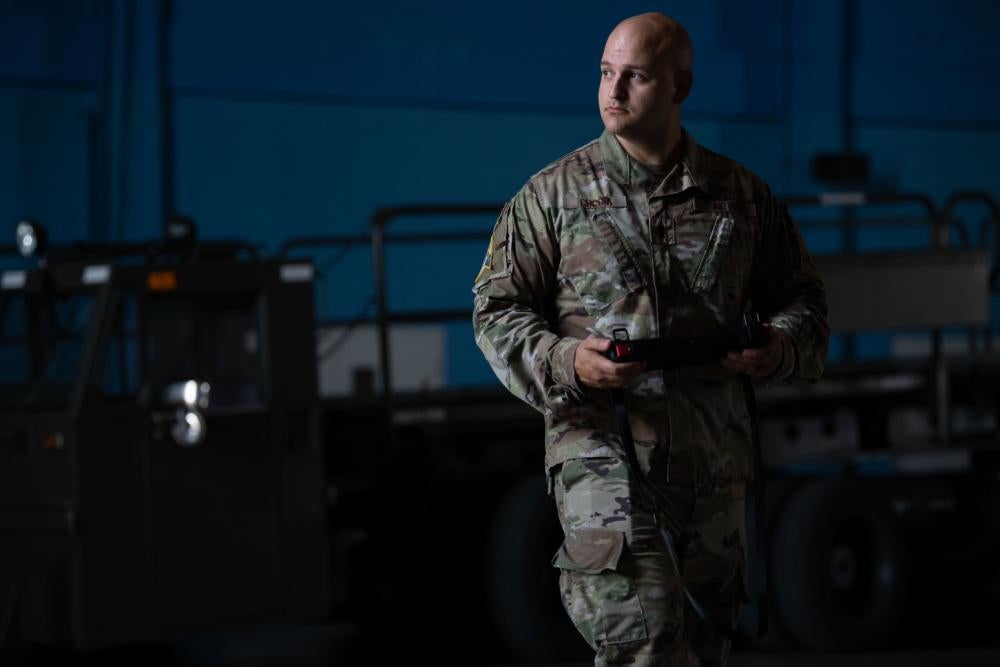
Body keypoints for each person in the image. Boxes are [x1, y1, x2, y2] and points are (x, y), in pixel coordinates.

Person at [472, 11, 828, 667]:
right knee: (645, 639)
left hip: (712, 461)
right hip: (602, 455)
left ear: (679, 86)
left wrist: (778, 346)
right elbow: (496, 309)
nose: (613, 91)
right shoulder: (552, 197)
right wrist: (565, 360)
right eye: (606, 73)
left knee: (703, 645)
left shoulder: (738, 196)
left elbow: (803, 297)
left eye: (634, 76)